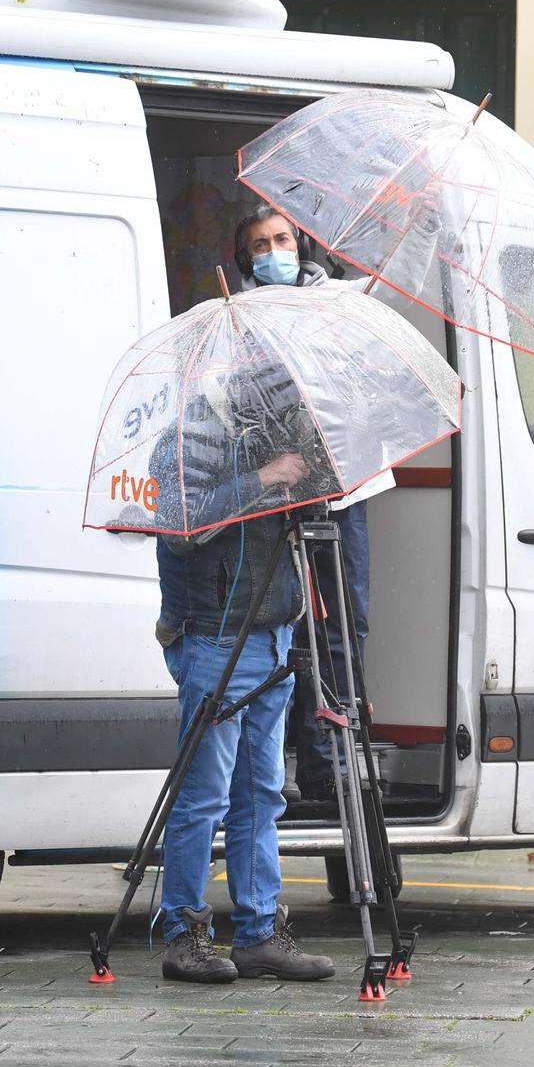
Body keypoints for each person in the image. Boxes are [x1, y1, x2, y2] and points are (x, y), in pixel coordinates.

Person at [151, 416, 336, 984]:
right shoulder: (188, 438)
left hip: (275, 634)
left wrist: (309, 486)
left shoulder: (275, 432)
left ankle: (258, 935)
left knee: (262, 793)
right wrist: (262, 478)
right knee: (204, 797)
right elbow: (180, 527)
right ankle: (185, 936)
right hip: (214, 637)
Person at [231, 204, 375, 808]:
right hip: (276, 493)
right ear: (247, 260)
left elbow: (367, 391)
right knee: (286, 627)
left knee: (344, 622)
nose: (272, 252)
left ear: (301, 245)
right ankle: (289, 754)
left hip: (343, 486)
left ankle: (333, 759)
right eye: (260, 245)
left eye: (281, 239)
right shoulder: (235, 319)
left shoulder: (342, 310)